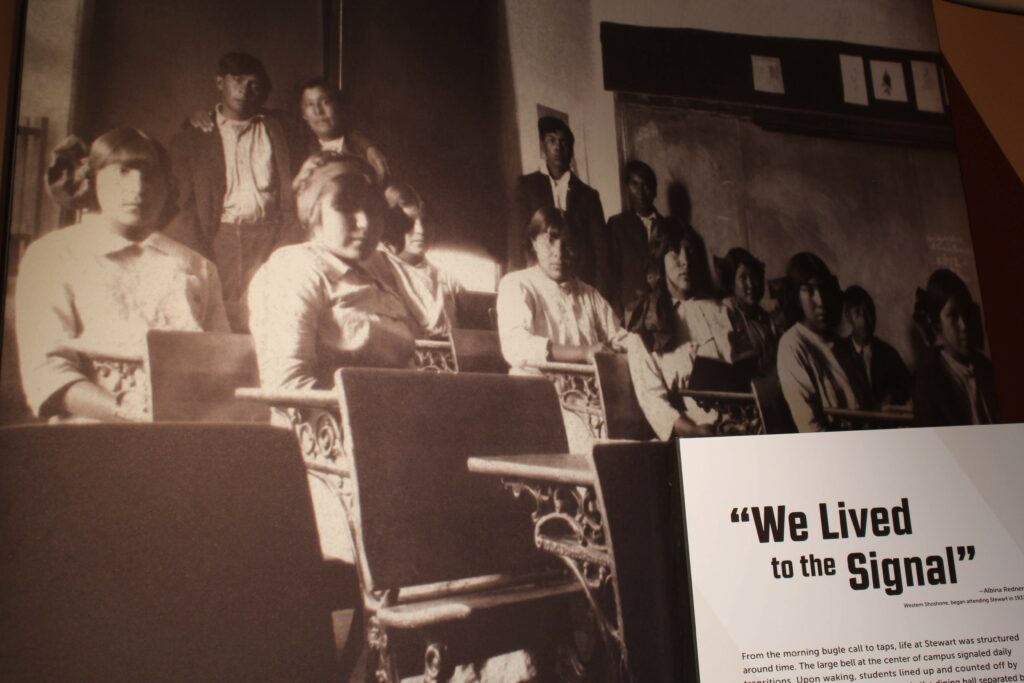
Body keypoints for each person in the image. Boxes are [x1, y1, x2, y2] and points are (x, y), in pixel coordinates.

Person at [16, 128, 229, 422]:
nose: (138, 187)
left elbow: (222, 367)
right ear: (91, 180)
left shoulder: (196, 265)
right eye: (122, 172)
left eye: (150, 175)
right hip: (90, 432)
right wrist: (132, 416)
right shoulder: (52, 256)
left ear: (168, 186)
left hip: (185, 431)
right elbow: (47, 371)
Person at [247, 153, 417, 393]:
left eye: (373, 210)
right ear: (314, 213)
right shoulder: (293, 270)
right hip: (324, 425)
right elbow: (286, 386)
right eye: (346, 207)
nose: (365, 222)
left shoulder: (377, 277)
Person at [169, 52, 296, 331]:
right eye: (236, 80)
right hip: (221, 238)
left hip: (271, 238)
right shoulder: (196, 134)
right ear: (219, 83)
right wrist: (201, 250)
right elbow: (182, 203)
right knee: (218, 320)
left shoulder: (281, 128)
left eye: (253, 83)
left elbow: (328, 129)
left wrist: (368, 145)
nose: (243, 90)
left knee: (270, 317)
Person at [625, 223, 734, 440]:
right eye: (674, 252)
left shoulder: (718, 311)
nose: (685, 260)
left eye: (690, 251)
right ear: (659, 261)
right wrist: (695, 432)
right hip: (689, 433)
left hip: (733, 424)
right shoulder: (645, 323)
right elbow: (653, 401)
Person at [497, 207, 626, 371]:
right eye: (549, 241)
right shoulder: (517, 284)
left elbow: (619, 336)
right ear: (534, 242)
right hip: (538, 389)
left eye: (567, 244)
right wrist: (585, 352)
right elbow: (516, 346)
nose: (558, 253)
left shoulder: (589, 294)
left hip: (589, 391)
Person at [509, 117, 609, 299]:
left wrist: (598, 296)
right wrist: (516, 288)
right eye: (551, 140)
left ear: (571, 149)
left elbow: (601, 253)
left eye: (563, 142)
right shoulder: (526, 186)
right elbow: (517, 241)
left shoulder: (589, 196)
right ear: (543, 147)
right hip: (536, 285)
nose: (557, 147)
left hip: (577, 287)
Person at [775, 252, 858, 432]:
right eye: (809, 290)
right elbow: (811, 428)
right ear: (796, 295)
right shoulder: (792, 345)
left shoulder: (837, 342)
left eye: (823, 289)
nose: (820, 301)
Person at [912, 269, 998, 426]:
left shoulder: (986, 369)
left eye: (966, 312)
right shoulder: (929, 382)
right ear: (937, 324)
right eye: (953, 315)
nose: (964, 325)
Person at [379, 183, 463, 338]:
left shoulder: (447, 279)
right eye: (410, 222)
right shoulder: (378, 269)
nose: (420, 231)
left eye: (425, 222)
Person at [608, 160, 683, 315]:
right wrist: (618, 313)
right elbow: (611, 274)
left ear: (654, 190)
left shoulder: (671, 227)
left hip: (667, 313)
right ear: (627, 189)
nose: (641, 191)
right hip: (630, 314)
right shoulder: (617, 225)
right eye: (635, 184)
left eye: (646, 185)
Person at [295, 77, 389, 181]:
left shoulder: (368, 152)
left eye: (325, 102)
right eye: (310, 104)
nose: (318, 111)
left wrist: (369, 147)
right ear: (303, 114)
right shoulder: (300, 155)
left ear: (338, 106)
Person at [833, 285, 911, 409]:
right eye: (857, 312)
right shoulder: (838, 353)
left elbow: (907, 388)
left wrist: (893, 397)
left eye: (868, 311)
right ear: (848, 317)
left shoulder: (889, 354)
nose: (864, 319)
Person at [714, 246, 780, 377]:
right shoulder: (727, 311)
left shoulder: (766, 318)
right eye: (743, 278)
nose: (750, 284)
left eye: (754, 276)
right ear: (732, 283)